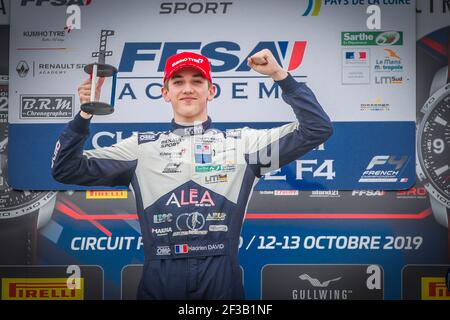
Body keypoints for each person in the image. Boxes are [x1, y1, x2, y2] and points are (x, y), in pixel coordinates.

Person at [51, 49, 333, 299]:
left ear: (211, 91)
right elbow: (66, 168)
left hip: (220, 273)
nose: (188, 89)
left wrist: (281, 76)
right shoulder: (140, 148)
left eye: (197, 82)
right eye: (178, 82)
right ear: (165, 92)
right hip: (160, 273)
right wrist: (84, 115)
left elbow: (316, 130)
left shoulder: (243, 145)